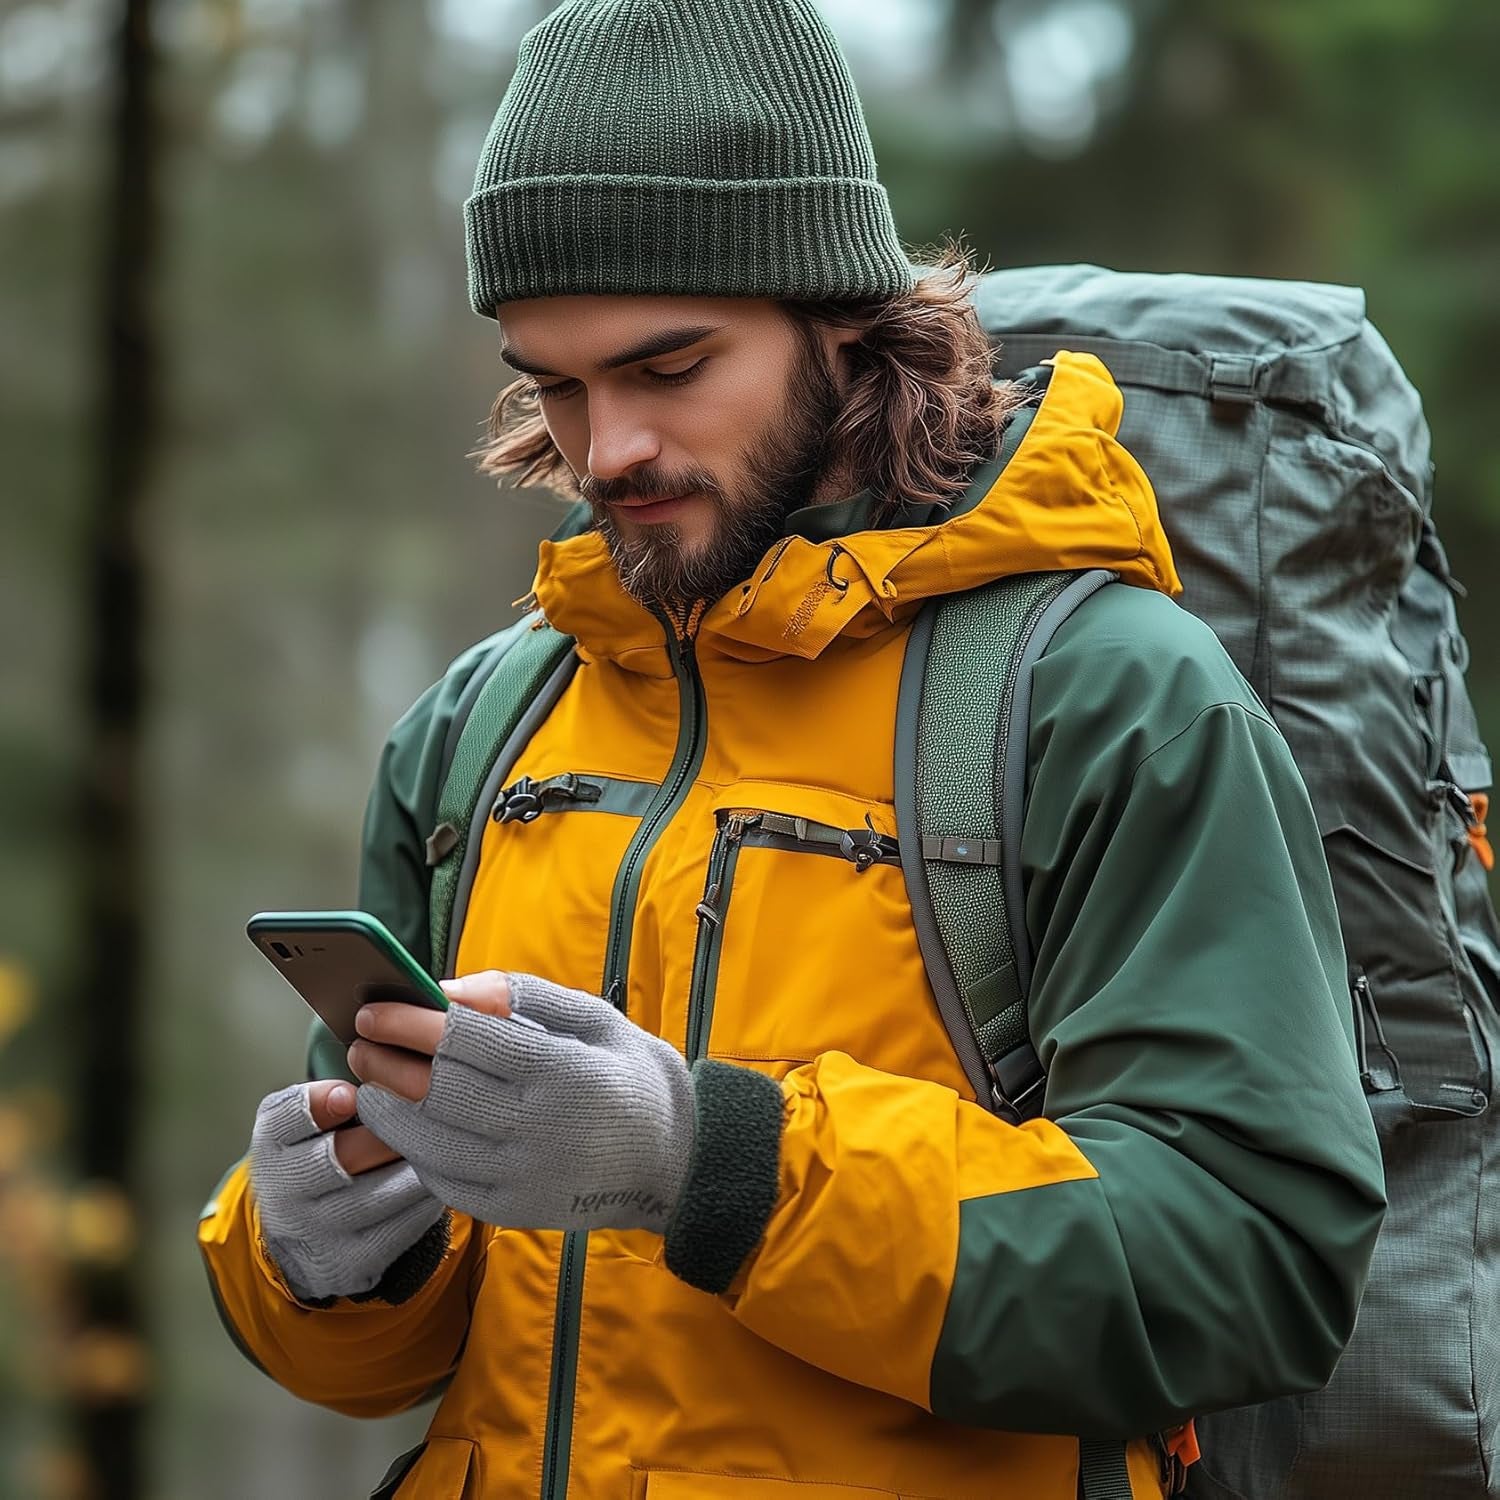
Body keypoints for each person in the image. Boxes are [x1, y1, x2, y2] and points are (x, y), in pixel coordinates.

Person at [198, 2, 1387, 1496]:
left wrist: (714, 1160)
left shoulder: (1106, 697)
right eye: (554, 382)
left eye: (669, 365)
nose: (605, 447)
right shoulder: (482, 727)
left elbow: (1253, 1268)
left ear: (840, 317)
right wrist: (314, 1259)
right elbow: (398, 1362)